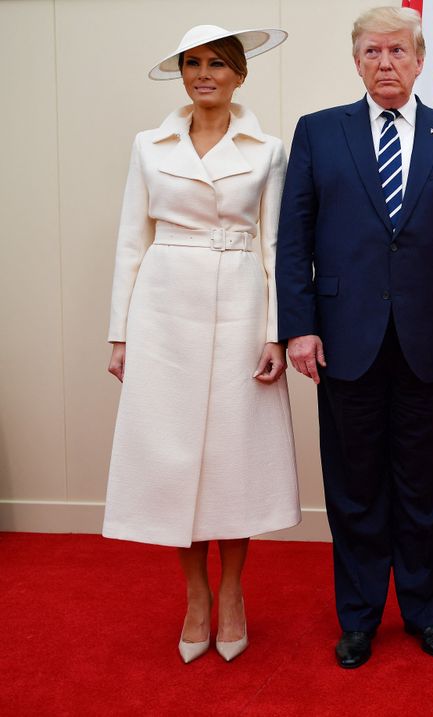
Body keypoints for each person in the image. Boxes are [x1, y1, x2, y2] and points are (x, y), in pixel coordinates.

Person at [275, 6, 433, 669]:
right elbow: (295, 238)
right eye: (372, 51)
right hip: (344, 340)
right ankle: (360, 617)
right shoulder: (319, 133)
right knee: (354, 486)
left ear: (420, 59)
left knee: (427, 487)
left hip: (431, 339)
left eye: (398, 51)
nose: (385, 62)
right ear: (356, 60)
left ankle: (429, 613)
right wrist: (300, 325)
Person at [104, 25, 300, 664]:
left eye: (217, 63)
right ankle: (195, 597)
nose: (204, 73)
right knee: (173, 455)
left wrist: (277, 332)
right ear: (182, 74)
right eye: (192, 64)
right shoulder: (148, 145)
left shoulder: (268, 149)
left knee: (233, 457)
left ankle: (234, 592)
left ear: (240, 74)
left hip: (243, 302)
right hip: (164, 310)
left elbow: (277, 246)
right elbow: (132, 239)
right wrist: (120, 332)